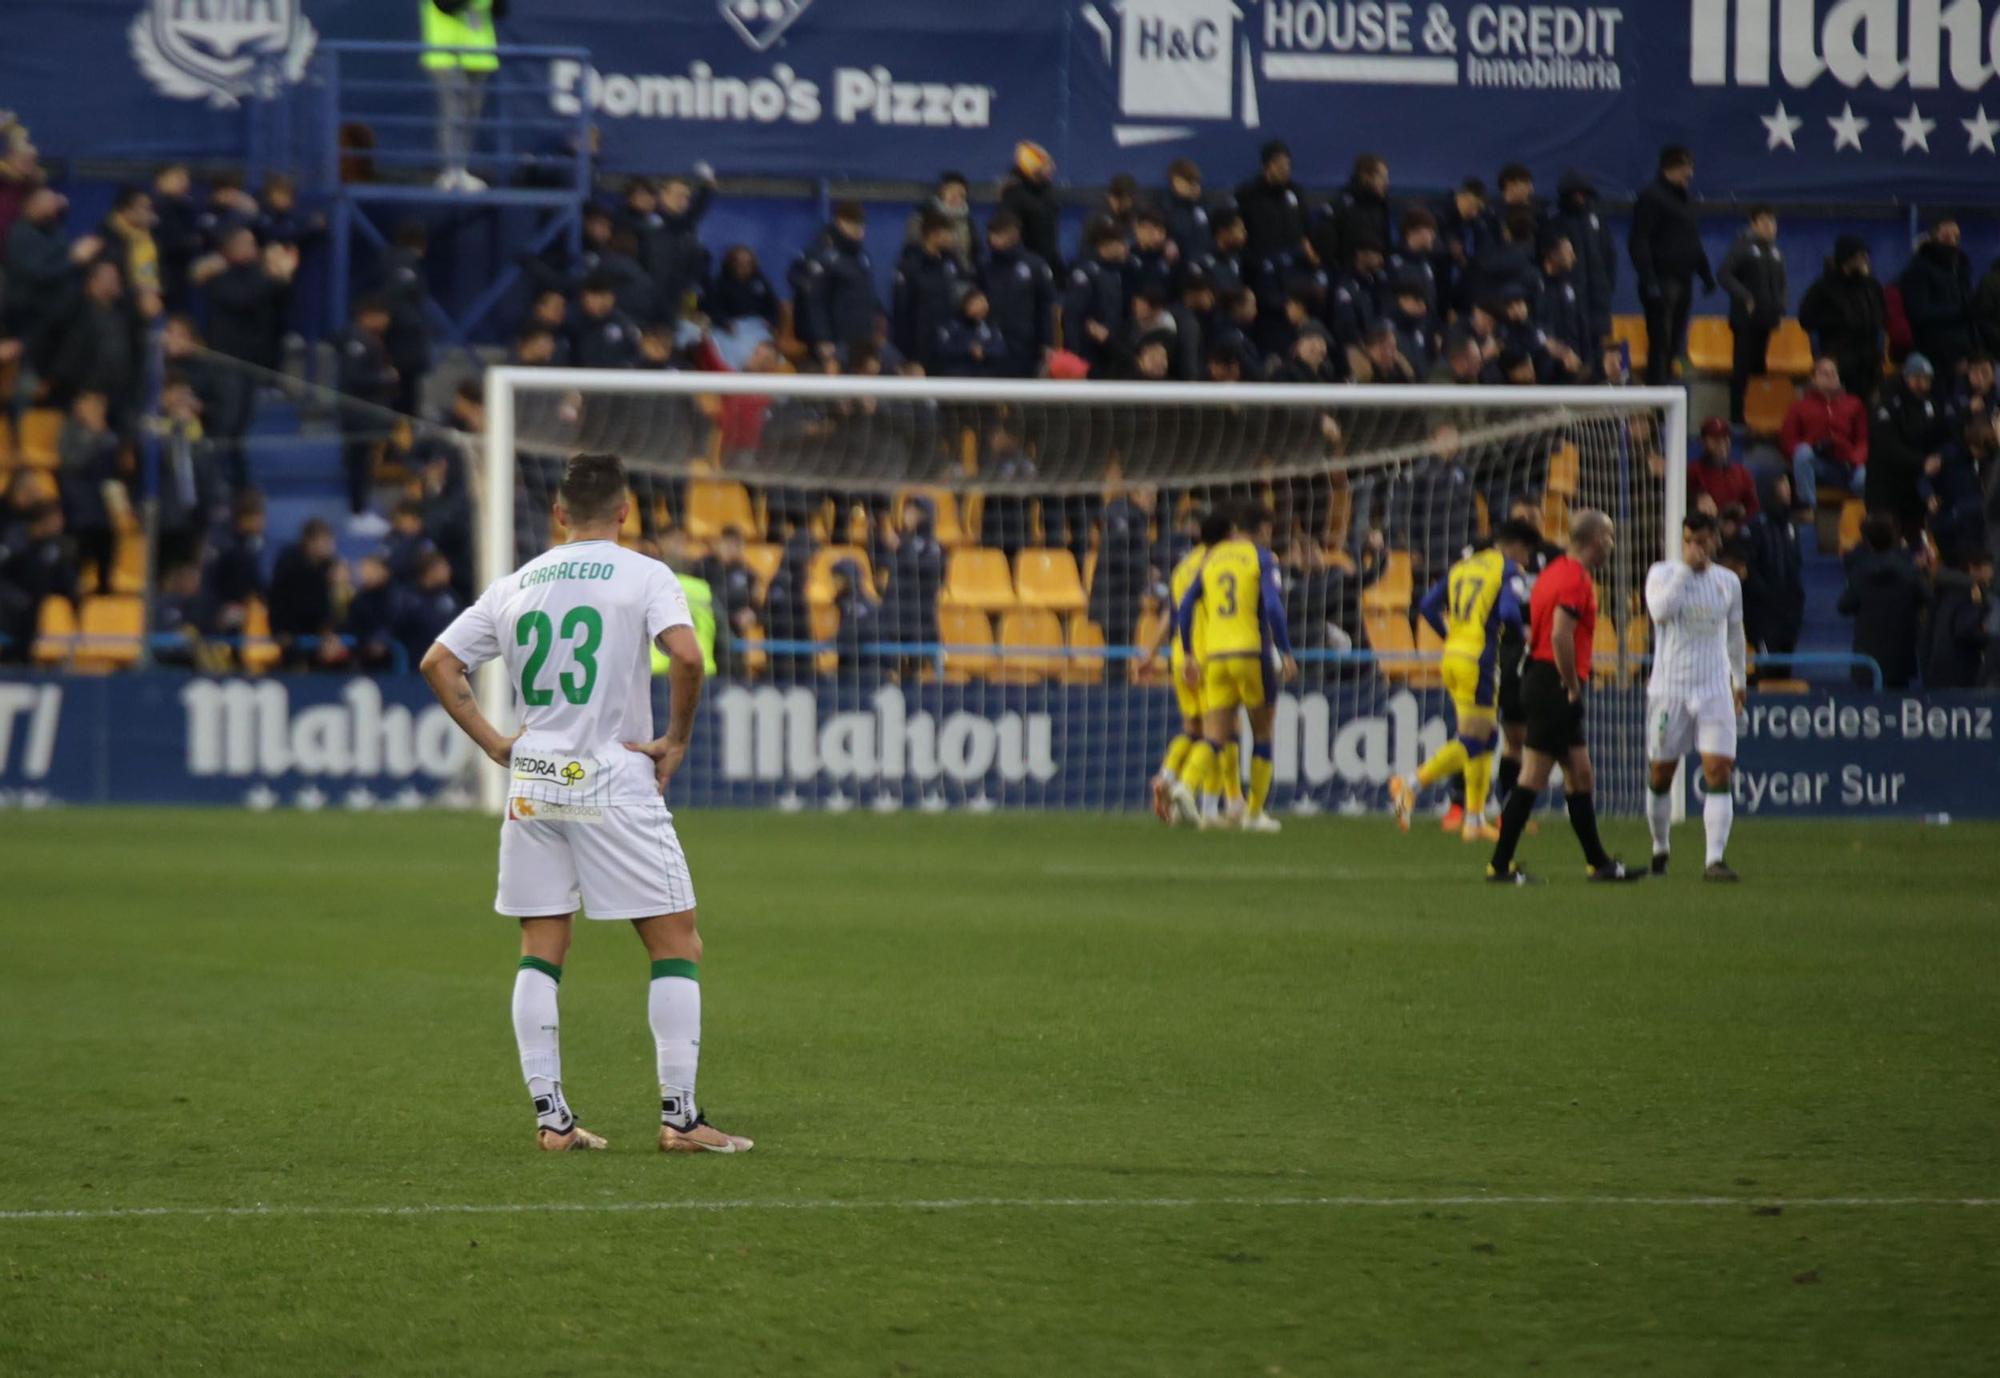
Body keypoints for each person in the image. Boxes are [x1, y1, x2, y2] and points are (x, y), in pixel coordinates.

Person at [420, 451, 751, 1154]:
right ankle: (680, 1118)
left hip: (535, 779)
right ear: (625, 511)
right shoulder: (645, 574)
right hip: (610, 778)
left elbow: (438, 662)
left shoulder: (519, 581)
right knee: (675, 942)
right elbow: (688, 657)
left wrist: (493, 743)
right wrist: (676, 739)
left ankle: (552, 1120)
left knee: (542, 947)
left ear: (560, 515)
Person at [1485, 509, 1644, 885]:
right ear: (1596, 541)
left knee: (1580, 772)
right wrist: (1572, 684)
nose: (1612, 544)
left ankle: (1599, 863)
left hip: (1540, 677)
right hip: (1553, 681)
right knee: (1534, 774)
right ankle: (1500, 864)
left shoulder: (1554, 571)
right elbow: (1560, 635)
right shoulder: (1574, 579)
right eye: (1609, 537)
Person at [1390, 520, 1540, 844]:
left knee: (1486, 739)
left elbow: (1428, 606)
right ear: (1515, 546)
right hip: (1478, 661)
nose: (1526, 562)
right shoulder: (1507, 570)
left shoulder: (1464, 566)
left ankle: (1473, 820)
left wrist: (1450, 635)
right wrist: (1525, 635)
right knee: (1473, 740)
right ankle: (1411, 783)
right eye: (1526, 553)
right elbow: (1511, 613)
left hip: (1453, 657)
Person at [1170, 504, 1299, 834]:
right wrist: (1285, 651)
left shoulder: (1210, 562)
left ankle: (1185, 786)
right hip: (1249, 652)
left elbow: (1184, 607)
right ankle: (1254, 815)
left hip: (1214, 657)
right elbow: (1272, 606)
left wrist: (1187, 653)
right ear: (1261, 530)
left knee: (1215, 735)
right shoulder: (1262, 558)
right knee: (1263, 731)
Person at [1642, 512, 1747, 881]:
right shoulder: (1663, 574)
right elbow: (1658, 612)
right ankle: (1660, 847)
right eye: (1688, 540)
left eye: (1701, 541)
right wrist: (1686, 571)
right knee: (1661, 772)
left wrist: (1739, 678)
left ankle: (1714, 860)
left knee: (1718, 769)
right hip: (1670, 688)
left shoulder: (1728, 582)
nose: (1695, 547)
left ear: (1715, 541)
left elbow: (1734, 632)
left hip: (1714, 687)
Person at [1145, 510, 1237, 827]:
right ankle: (1206, 805)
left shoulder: (1182, 568)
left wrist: (1149, 653)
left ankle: (1166, 776)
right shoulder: (1220, 566)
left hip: (1178, 656)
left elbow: (1172, 614)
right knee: (1220, 733)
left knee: (1192, 730)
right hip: (1208, 655)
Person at [1628, 145, 1712, 386]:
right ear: (1671, 168)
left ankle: (1668, 392)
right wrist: (1649, 279)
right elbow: (1639, 240)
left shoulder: (1686, 201)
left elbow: (1692, 241)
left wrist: (1704, 273)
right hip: (1662, 280)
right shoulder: (1651, 197)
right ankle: (1656, 400)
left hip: (1684, 280)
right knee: (1660, 343)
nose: (1690, 174)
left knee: (1675, 343)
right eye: (1686, 168)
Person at [422, 0, 504, 191]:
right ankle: (450, 170)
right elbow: (445, 5)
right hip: (446, 53)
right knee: (454, 112)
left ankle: (461, 168)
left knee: (470, 114)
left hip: (479, 55)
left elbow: (501, 10)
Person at [1716, 205, 1787, 425]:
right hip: (1745, 320)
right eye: (1764, 221)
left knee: (1759, 369)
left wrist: (1781, 306)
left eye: (1772, 222)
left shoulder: (1775, 252)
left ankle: (1757, 413)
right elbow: (1724, 275)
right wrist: (1745, 297)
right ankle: (1736, 417)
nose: (1769, 226)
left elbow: (1781, 283)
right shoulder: (1742, 246)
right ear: (1753, 224)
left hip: (1767, 320)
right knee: (1742, 369)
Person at [789, 200, 881, 369]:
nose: (859, 229)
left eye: (862, 224)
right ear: (840, 222)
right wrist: (822, 338)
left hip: (861, 340)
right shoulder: (822, 254)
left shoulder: (861, 257)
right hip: (835, 341)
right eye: (854, 223)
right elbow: (814, 301)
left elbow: (867, 295)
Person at [1869, 353, 1952, 539]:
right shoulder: (1887, 405)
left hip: (1916, 486)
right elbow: (1888, 448)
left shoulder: (1930, 404)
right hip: (1887, 487)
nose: (1927, 385)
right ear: (1911, 379)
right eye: (1924, 379)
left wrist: (1939, 457)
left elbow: (1943, 435)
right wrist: (1923, 461)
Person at [1838, 515, 1927, 689]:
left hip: (1868, 653)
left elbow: (1844, 606)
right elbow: (1925, 597)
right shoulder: (1909, 570)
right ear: (1895, 538)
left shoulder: (1860, 571)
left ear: (1868, 541)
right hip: (1900, 651)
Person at [335, 295, 399, 525]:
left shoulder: (369, 339)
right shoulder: (357, 340)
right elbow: (354, 378)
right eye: (381, 316)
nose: (385, 321)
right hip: (356, 414)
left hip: (364, 414)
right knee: (358, 463)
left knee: (365, 463)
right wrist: (384, 378)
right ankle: (357, 512)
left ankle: (360, 509)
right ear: (368, 315)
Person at [1798, 237, 1887, 401]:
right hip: (1840, 359)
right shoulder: (1824, 287)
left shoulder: (1871, 285)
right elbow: (1805, 318)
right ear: (1847, 258)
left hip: (1869, 360)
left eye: (1865, 256)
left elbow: (1882, 315)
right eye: (1859, 256)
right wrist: (1837, 321)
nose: (1864, 260)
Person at [1780, 356, 1869, 510]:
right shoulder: (1799, 406)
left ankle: (1865, 520)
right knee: (1802, 453)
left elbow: (1863, 440)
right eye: (1824, 373)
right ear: (1813, 379)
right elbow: (1788, 441)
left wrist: (1855, 459)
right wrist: (1812, 446)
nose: (1830, 377)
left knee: (1864, 478)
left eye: (1833, 373)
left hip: (1846, 465)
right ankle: (1807, 508)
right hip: (1816, 464)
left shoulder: (1854, 404)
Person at [978, 211, 1055, 376]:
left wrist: (1047, 343)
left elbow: (1045, 306)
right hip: (990, 345)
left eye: (1000, 233)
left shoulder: (1035, 265)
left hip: (1025, 346)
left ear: (1014, 234)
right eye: (992, 233)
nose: (994, 238)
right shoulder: (984, 265)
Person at [1900, 217, 1976, 383]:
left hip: (1964, 351)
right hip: (1935, 353)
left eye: (1956, 236)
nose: (1952, 241)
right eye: (1946, 236)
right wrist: (1961, 312)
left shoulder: (1961, 267)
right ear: (1934, 237)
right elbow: (1919, 313)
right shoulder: (1919, 269)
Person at [1549, 170, 1615, 353]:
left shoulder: (1597, 221)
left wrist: (1606, 287)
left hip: (1598, 297)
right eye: (1576, 193)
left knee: (1598, 347)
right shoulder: (1556, 223)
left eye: (1583, 193)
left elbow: (1609, 256)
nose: (1580, 198)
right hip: (1571, 296)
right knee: (1574, 345)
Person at [1061, 220, 1129, 376]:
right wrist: (1074, 356)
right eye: (1120, 242)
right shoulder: (1086, 272)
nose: (1124, 247)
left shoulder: (1116, 272)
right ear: (1106, 245)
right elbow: (1072, 316)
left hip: (1108, 351)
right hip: (1088, 352)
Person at [1234, 141, 1308, 278]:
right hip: (1261, 270)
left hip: (1294, 269)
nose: (1285, 169)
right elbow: (1240, 233)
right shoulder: (1248, 195)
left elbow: (1305, 227)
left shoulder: (1295, 192)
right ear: (1266, 166)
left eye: (1287, 164)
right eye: (1279, 164)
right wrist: (1255, 263)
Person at [1921, 549, 1992, 689]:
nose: (1992, 573)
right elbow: (1965, 630)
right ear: (1973, 568)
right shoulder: (1972, 594)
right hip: (1960, 670)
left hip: (1937, 667)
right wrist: (1989, 637)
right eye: (1988, 568)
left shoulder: (1945, 590)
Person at [999, 140, 1062, 274]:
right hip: (1025, 266)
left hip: (1048, 262)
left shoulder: (1046, 191)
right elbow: (1009, 234)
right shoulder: (1013, 195)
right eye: (1045, 164)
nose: (1051, 168)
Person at [1688, 416, 1760, 516]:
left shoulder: (1742, 472)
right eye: (1715, 438)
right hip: (1706, 528)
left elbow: (1753, 507)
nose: (1722, 442)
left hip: (1737, 528)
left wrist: (1740, 513)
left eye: (1725, 437)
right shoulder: (1693, 471)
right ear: (1703, 442)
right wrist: (1696, 499)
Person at [903, 170, 973, 272]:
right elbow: (914, 242)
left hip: (959, 274)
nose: (955, 197)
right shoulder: (923, 215)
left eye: (961, 194)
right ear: (941, 191)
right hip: (926, 271)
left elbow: (972, 252)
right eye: (951, 191)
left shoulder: (967, 221)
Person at [1161, 157, 1211, 261]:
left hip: (1205, 262)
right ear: (1176, 182)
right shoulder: (1166, 208)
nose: (1194, 187)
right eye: (1189, 182)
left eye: (1196, 182)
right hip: (1182, 266)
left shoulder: (1203, 205)